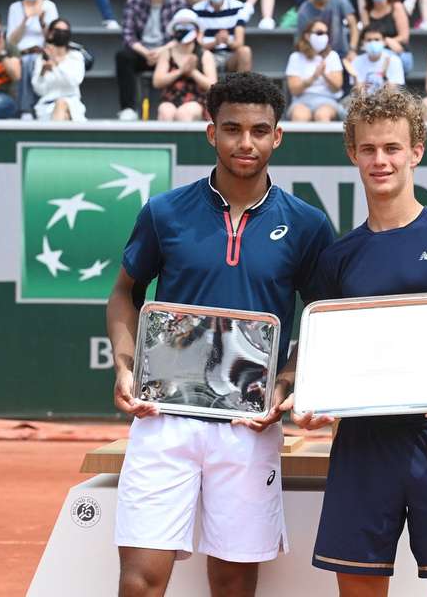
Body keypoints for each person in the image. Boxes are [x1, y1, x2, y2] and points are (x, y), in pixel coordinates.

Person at [283, 85, 427, 597]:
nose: (380, 160)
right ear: (352, 153)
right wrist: (311, 398)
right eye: (368, 149)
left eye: (392, 148)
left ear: (416, 151)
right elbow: (320, 345)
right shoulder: (338, 257)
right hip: (363, 448)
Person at [108, 71, 334, 597]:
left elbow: (322, 316)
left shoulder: (306, 225)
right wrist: (125, 364)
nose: (245, 142)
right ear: (211, 132)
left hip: (248, 424)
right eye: (232, 129)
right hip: (163, 417)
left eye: (260, 130)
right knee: (140, 582)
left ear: (278, 136)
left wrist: (290, 377)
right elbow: (124, 294)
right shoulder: (164, 212)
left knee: (233, 584)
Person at [116, 0, 188, 121]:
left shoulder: (178, 2)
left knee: (183, 57)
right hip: (142, 52)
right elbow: (128, 35)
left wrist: (161, 51)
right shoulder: (134, 1)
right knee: (123, 57)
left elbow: (182, 35)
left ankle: (178, 105)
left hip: (167, 51)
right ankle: (128, 109)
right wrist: (146, 53)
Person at [153, 8, 216, 121]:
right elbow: (157, 81)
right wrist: (180, 71)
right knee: (165, 111)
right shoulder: (167, 53)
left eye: (188, 26)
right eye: (180, 26)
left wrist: (193, 72)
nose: (184, 30)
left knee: (185, 113)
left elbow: (212, 85)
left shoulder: (205, 54)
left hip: (196, 100)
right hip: (170, 99)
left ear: (196, 31)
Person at [6, 0, 59, 118]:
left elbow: (53, 39)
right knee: (26, 61)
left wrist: (42, 23)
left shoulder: (49, 6)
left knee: (32, 61)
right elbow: (11, 41)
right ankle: (27, 110)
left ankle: (28, 109)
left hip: (42, 53)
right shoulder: (14, 7)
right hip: (19, 53)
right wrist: (25, 20)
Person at [286, 19, 345, 121]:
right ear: (307, 36)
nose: (323, 36)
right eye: (319, 33)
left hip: (328, 100)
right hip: (301, 100)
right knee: (300, 116)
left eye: (326, 33)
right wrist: (314, 77)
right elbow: (294, 90)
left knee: (322, 115)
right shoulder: (295, 57)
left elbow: (337, 87)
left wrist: (325, 75)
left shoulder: (333, 56)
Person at [31, 17, 86, 121]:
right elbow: (39, 90)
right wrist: (42, 72)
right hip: (47, 106)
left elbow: (74, 81)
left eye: (64, 31)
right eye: (58, 31)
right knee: (63, 115)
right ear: (51, 33)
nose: (61, 34)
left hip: (72, 104)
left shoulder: (76, 57)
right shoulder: (41, 59)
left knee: (61, 103)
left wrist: (56, 63)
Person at [193, 0, 252, 75]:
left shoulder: (239, 7)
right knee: (203, 55)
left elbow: (239, 43)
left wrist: (227, 41)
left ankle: (243, 86)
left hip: (230, 57)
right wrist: (215, 42)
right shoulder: (196, 9)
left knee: (245, 51)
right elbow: (198, 46)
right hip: (207, 56)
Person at [358, 0, 411, 73]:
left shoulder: (396, 6)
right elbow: (367, 35)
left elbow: (404, 37)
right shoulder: (366, 11)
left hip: (398, 52)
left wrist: (386, 42)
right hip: (373, 54)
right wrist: (376, 44)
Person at [346, 25, 404, 95]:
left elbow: (392, 93)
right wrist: (355, 76)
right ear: (363, 42)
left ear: (384, 41)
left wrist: (384, 75)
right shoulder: (356, 61)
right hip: (364, 103)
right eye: (369, 40)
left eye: (377, 40)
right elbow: (358, 94)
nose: (373, 43)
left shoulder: (394, 60)